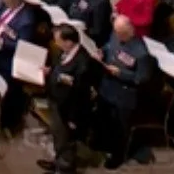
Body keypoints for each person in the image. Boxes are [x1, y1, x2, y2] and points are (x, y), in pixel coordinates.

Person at [38, 25, 99, 174]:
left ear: (69, 42)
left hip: (68, 110)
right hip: (57, 102)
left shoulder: (82, 64)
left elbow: (80, 94)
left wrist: (73, 118)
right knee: (58, 136)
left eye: (58, 40)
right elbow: (60, 71)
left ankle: (65, 168)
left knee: (66, 140)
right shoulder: (65, 52)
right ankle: (58, 162)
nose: (55, 43)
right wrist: (51, 71)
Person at [96, 15, 153, 169]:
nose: (118, 36)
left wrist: (121, 73)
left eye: (121, 34)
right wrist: (102, 52)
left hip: (124, 95)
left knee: (120, 128)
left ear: (130, 31)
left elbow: (142, 78)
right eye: (116, 32)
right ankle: (103, 145)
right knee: (105, 120)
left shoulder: (141, 52)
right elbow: (108, 47)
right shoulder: (115, 35)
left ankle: (118, 156)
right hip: (107, 87)